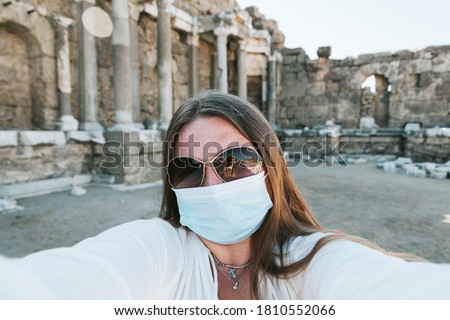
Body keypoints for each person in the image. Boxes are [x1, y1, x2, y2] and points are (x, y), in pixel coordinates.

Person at [1, 90, 450, 299]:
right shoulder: (156, 249)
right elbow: (60, 285)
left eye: (235, 161)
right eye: (187, 168)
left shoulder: (318, 260)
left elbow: (395, 292)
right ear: (170, 184)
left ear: (270, 168)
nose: (213, 184)